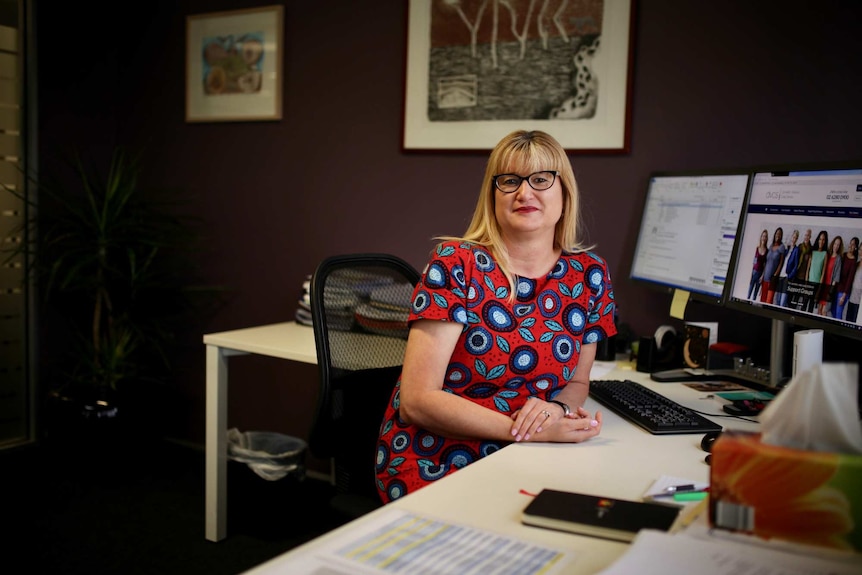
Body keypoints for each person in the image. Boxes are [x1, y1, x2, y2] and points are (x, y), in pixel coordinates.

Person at [375, 130, 615, 503]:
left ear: (564, 193)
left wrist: (556, 409)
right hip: (438, 454)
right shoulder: (456, 264)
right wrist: (526, 432)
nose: (524, 192)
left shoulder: (589, 275)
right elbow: (417, 400)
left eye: (540, 179)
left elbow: (577, 383)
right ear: (493, 195)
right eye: (509, 181)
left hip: (530, 453)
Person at [832, 236, 858, 320]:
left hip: (843, 292)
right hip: (836, 288)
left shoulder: (853, 262)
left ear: (856, 248)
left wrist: (844, 296)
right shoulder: (843, 255)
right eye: (850, 243)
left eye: (853, 245)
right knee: (832, 312)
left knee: (838, 315)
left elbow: (849, 280)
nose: (851, 245)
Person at [817, 235, 842, 316]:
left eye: (838, 245)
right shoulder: (827, 254)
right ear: (833, 244)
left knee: (824, 311)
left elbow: (836, 277)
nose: (836, 246)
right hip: (822, 286)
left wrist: (830, 291)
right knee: (819, 310)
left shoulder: (838, 259)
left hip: (829, 288)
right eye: (835, 244)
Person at [761, 227, 786, 304]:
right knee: (763, 299)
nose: (778, 235)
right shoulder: (771, 246)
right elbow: (767, 262)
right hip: (765, 277)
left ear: (781, 236)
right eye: (777, 233)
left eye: (779, 234)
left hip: (772, 279)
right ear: (775, 234)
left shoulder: (782, 247)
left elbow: (781, 263)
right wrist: (763, 275)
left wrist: (775, 275)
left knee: (768, 301)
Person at [776, 229, 799, 307]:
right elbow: (782, 259)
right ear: (791, 237)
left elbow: (796, 266)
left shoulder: (796, 250)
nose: (794, 239)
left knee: (782, 302)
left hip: (787, 277)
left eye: (796, 238)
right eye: (793, 237)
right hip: (780, 276)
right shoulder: (787, 248)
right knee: (777, 300)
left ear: (797, 239)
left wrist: (789, 276)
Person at [806, 230, 828, 313]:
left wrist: (819, 288)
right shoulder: (813, 252)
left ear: (825, 241)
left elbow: (823, 273)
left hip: (816, 285)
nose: (821, 241)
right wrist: (806, 283)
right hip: (809, 283)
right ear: (817, 239)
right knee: (804, 305)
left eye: (823, 240)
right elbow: (808, 269)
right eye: (820, 239)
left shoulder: (825, 254)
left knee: (811, 307)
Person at [748, 230, 769, 300]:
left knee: (754, 296)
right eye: (763, 236)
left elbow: (766, 265)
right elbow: (753, 262)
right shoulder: (756, 249)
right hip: (754, 272)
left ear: (766, 238)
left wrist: (762, 276)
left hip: (760, 274)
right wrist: (751, 275)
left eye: (765, 236)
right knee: (749, 294)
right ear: (761, 237)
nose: (764, 238)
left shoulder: (767, 251)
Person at [847, 252, 862, 323]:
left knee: (855, 320)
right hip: (852, 296)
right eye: (860, 249)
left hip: (859, 299)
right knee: (848, 319)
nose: (861, 251)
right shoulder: (857, 263)